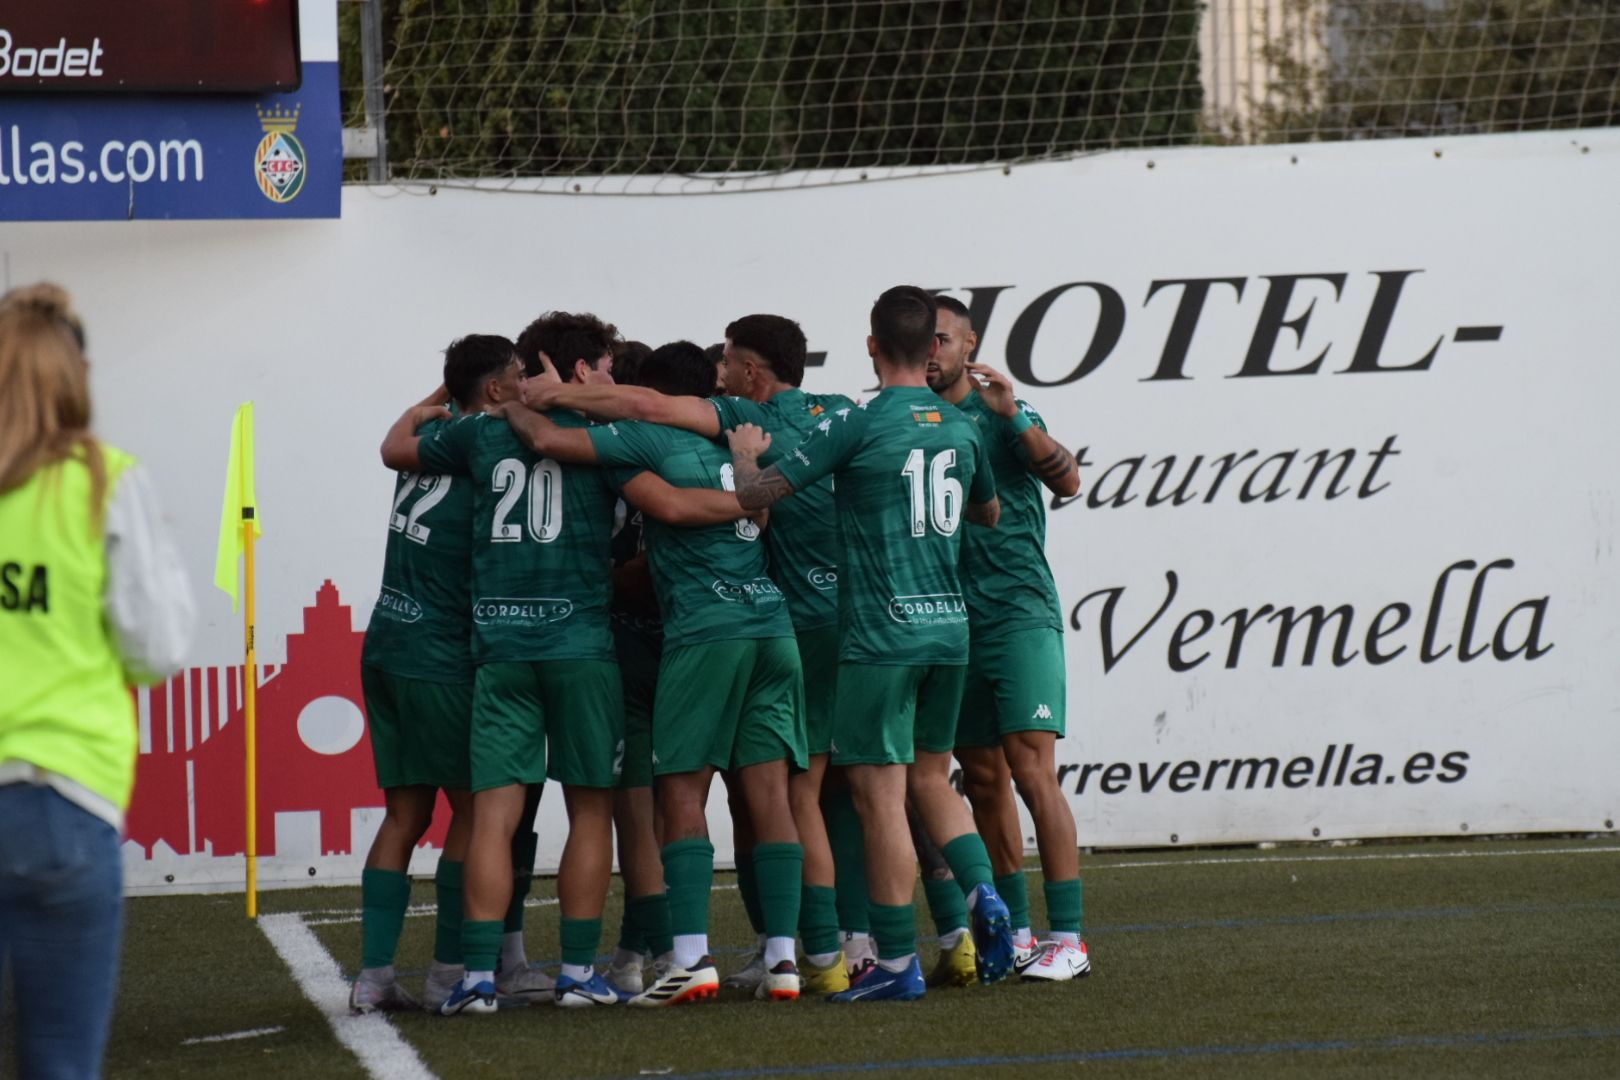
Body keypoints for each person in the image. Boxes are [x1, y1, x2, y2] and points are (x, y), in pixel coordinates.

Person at [383, 325, 741, 1014]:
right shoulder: (598, 436)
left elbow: (396, 449)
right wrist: (753, 496)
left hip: (502, 648)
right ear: (564, 367)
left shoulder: (480, 434)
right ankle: (579, 973)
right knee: (590, 811)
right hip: (581, 645)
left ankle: (477, 980)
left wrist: (468, 401)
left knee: (494, 814)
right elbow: (666, 505)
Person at [522, 314, 853, 994]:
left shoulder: (637, 437)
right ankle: (786, 959)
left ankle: (691, 958)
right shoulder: (741, 438)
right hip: (772, 625)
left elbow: (563, 444)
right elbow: (760, 513)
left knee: (678, 791)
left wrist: (525, 399)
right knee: (771, 796)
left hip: (705, 631)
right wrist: (739, 488)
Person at [726, 285, 1012, 1002]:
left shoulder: (857, 421)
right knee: (930, 779)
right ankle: (984, 893)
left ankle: (893, 962)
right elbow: (988, 511)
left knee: (878, 799)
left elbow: (761, 496)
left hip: (882, 636)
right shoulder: (959, 426)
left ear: (872, 346)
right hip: (950, 630)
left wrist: (744, 456)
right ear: (935, 348)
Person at [0, 283, 193, 1077]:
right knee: (60, 1063)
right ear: (74, 372)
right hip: (62, 800)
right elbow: (157, 647)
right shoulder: (102, 479)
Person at [928, 295, 1090, 981]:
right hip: (949, 623)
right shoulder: (913, 420)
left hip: (1019, 613)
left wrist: (1015, 415)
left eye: (945, 339)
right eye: (925, 340)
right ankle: (1018, 934)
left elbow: (1069, 478)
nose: (933, 350)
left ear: (971, 344)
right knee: (985, 781)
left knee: (1031, 771)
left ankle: (1071, 940)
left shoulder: (1001, 413)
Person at [351, 372, 480, 1014]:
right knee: (478, 813)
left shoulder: (423, 432)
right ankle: (449, 973)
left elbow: (395, 437)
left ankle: (374, 978)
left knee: (406, 814)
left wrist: (438, 394)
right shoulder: (480, 448)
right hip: (437, 655)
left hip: (386, 639)